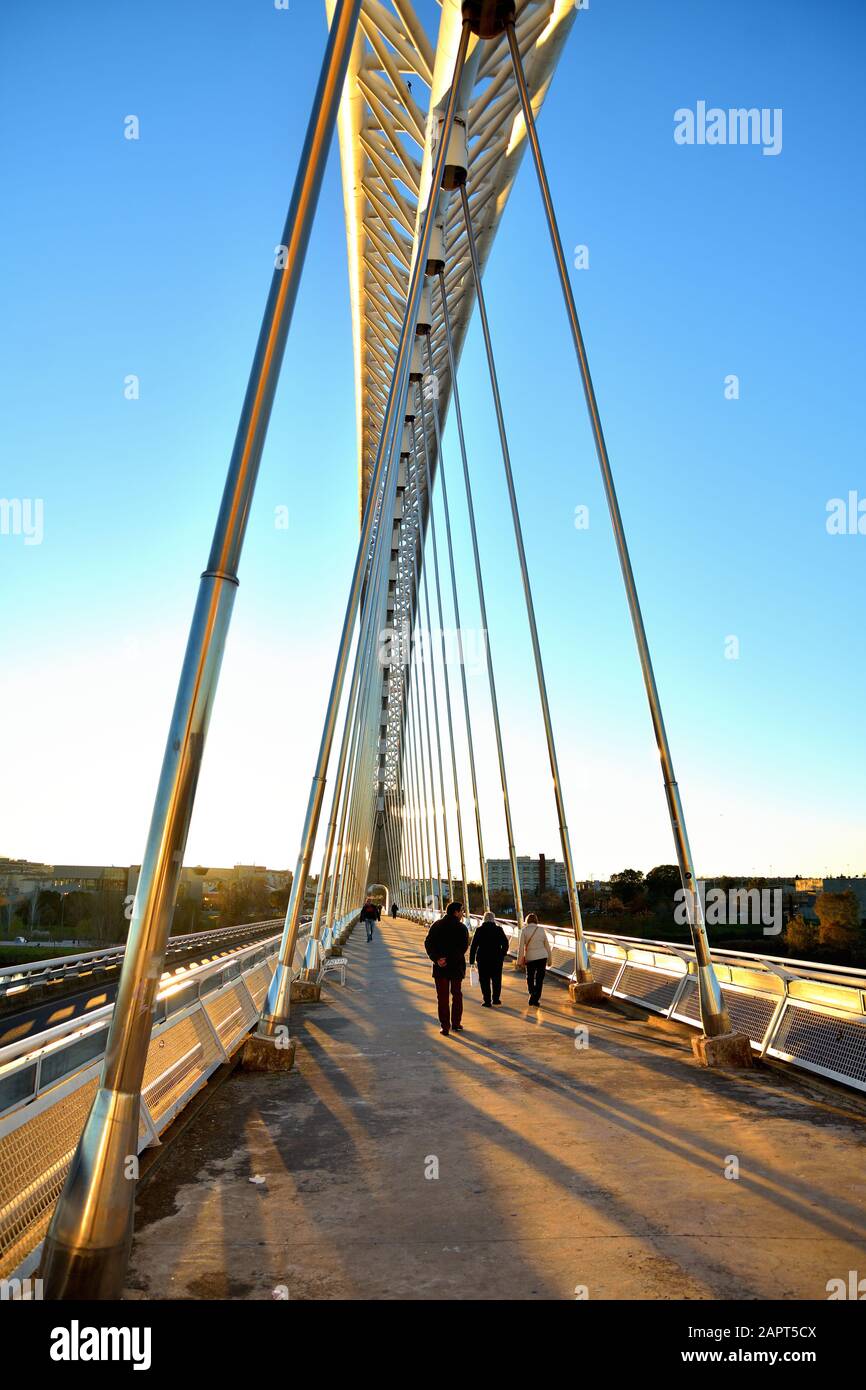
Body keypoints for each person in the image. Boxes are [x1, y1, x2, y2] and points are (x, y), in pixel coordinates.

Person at [424, 901, 469, 1036]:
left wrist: (437, 958)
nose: (463, 914)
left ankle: (445, 1026)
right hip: (456, 967)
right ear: (456, 912)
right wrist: (450, 960)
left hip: (440, 967)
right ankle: (456, 1023)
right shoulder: (461, 928)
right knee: (457, 995)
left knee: (442, 998)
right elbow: (463, 948)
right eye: (462, 911)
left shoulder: (436, 925)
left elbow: (428, 943)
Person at [469, 909, 509, 1007]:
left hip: (482, 958)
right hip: (496, 958)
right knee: (496, 979)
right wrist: (502, 954)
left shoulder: (479, 930)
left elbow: (473, 946)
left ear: (484, 919)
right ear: (493, 919)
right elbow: (505, 943)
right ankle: (496, 999)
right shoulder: (499, 930)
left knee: (484, 980)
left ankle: (487, 1000)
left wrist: (471, 960)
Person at [517, 912, 552, 1006]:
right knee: (540, 978)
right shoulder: (541, 930)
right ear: (536, 920)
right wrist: (550, 960)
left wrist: (519, 961)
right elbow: (547, 946)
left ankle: (532, 993)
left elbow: (520, 947)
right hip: (542, 957)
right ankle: (535, 999)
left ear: (527, 921)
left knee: (530, 977)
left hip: (530, 957)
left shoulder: (524, 931)